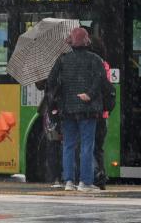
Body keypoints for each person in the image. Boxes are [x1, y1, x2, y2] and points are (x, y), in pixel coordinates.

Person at [46, 27, 107, 193]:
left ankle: (68, 181)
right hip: (88, 109)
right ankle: (85, 182)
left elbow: (51, 82)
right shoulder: (95, 60)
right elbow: (102, 81)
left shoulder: (63, 60)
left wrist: (59, 98)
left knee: (68, 145)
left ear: (71, 43)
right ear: (87, 42)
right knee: (87, 145)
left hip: (67, 109)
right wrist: (89, 94)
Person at [90, 37, 111, 190]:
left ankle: (96, 173)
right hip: (103, 114)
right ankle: (101, 174)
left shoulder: (89, 65)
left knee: (86, 146)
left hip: (90, 113)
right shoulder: (105, 66)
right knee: (98, 148)